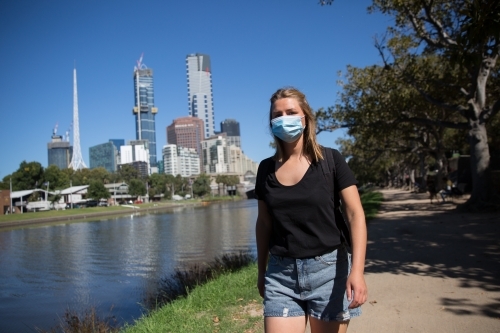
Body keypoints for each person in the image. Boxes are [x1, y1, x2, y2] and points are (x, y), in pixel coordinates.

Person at [255, 87, 368, 333]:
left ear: (305, 117)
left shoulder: (330, 160)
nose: (284, 119)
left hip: (329, 271)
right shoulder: (265, 170)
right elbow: (264, 223)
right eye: (278, 114)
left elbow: (355, 214)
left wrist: (357, 271)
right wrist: (260, 270)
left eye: (291, 112)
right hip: (281, 275)